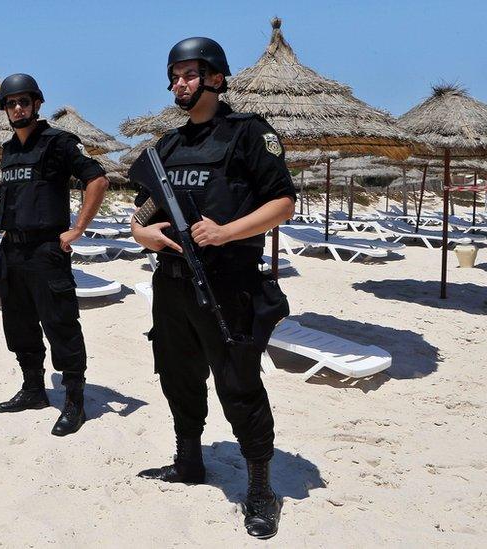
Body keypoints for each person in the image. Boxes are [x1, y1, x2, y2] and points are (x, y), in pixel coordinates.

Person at [130, 37, 296, 540]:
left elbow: (283, 203)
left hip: (228, 283)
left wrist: (227, 231)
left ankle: (261, 487)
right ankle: (188, 460)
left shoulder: (250, 134)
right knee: (177, 375)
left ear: (216, 78)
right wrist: (141, 233)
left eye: (189, 74)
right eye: (174, 75)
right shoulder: (167, 146)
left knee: (238, 384)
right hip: (173, 284)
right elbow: (144, 209)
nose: (179, 83)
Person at [0, 74, 110, 437]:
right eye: (11, 103)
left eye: (24, 101)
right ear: (5, 109)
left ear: (37, 104)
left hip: (46, 249)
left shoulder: (58, 142)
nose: (18, 108)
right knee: (19, 324)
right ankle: (33, 389)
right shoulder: (9, 149)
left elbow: (98, 179)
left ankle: (74, 401)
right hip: (11, 248)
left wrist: (77, 229)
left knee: (60, 325)